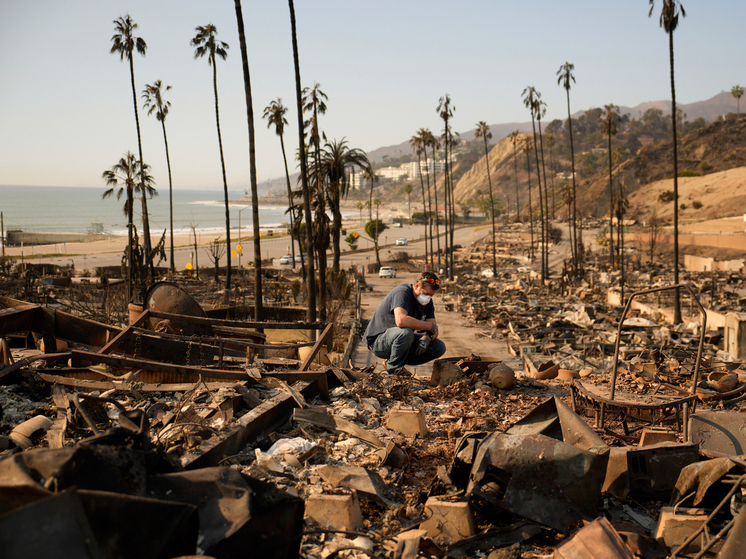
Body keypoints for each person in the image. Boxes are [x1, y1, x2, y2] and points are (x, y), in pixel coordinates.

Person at [364, 271, 446, 374]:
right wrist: (429, 326)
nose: (428, 297)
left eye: (431, 295)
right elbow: (401, 321)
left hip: (400, 340)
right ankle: (393, 371)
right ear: (416, 286)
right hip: (379, 341)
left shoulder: (427, 303)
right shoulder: (402, 293)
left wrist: (427, 338)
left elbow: (434, 330)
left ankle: (395, 361)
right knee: (406, 333)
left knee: (439, 346)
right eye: (426, 293)